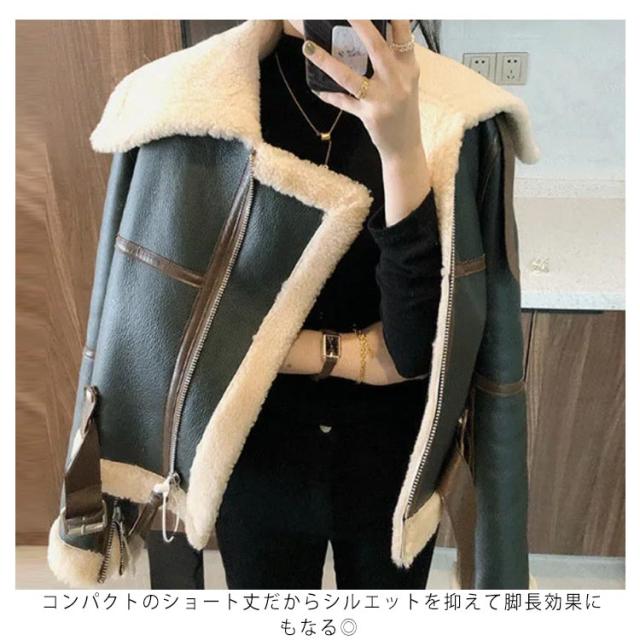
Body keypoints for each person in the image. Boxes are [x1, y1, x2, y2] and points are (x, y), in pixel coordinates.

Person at [146, 19, 444, 589]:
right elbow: (180, 326)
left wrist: (403, 149)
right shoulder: (205, 96)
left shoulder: (449, 108)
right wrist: (354, 355)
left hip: (395, 459)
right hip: (251, 448)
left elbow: (414, 351)